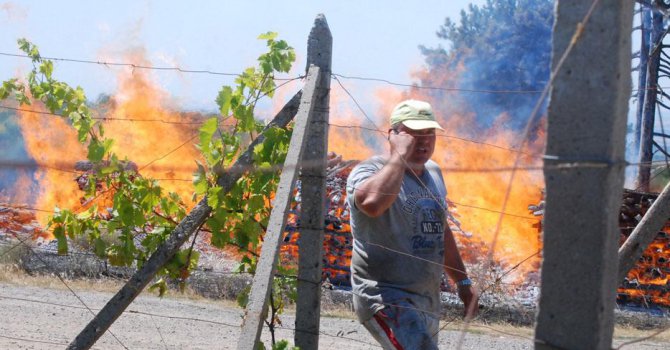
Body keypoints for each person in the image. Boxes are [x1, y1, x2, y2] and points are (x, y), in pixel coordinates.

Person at [346, 99, 478, 349]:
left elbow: (441, 229)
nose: (424, 140)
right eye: (414, 133)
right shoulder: (369, 171)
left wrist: (463, 283)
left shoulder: (434, 173)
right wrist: (399, 156)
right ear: (393, 135)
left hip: (426, 301)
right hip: (385, 298)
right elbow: (372, 204)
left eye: (429, 132)